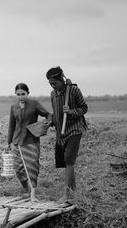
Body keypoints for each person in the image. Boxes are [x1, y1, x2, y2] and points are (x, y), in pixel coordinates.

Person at [46, 66, 88, 203]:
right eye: (50, 84)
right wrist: (50, 121)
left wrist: (70, 111)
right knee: (65, 162)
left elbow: (84, 108)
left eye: (55, 83)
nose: (53, 86)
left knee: (69, 159)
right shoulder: (53, 94)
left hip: (74, 129)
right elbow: (55, 113)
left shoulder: (74, 90)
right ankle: (73, 191)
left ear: (62, 80)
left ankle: (67, 195)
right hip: (61, 132)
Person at [7, 83, 51, 202]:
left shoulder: (34, 104)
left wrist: (46, 123)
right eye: (18, 94)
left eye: (23, 94)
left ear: (28, 93)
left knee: (31, 168)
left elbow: (48, 115)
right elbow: (11, 125)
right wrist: (8, 142)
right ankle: (26, 189)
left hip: (31, 140)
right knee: (18, 168)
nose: (21, 97)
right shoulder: (14, 106)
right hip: (17, 141)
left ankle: (33, 195)